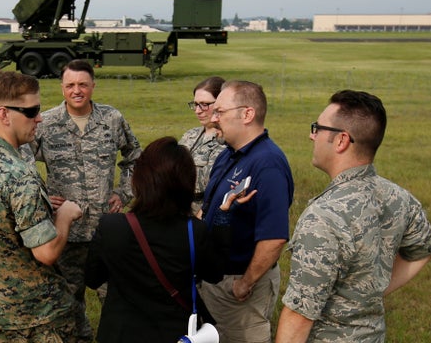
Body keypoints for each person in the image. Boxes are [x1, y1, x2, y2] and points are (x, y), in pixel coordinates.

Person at [276, 90, 431, 343]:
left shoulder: (323, 217)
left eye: (317, 128)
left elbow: (299, 317)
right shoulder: (399, 197)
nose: (311, 135)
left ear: (341, 140)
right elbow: (423, 250)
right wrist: (369, 293)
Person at [0, 71, 83, 342]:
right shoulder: (19, 173)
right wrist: (66, 216)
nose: (39, 117)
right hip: (32, 316)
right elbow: (46, 253)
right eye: (32, 110)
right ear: (3, 114)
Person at [31, 59, 142, 343]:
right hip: (65, 233)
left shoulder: (112, 119)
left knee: (118, 300)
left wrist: (124, 192)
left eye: (82, 84)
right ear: (62, 88)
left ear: (93, 85)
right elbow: (20, 162)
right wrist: (42, 196)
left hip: (107, 231)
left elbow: (135, 157)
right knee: (68, 304)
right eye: (70, 85)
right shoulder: (46, 123)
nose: (76, 90)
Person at [85, 137, 229, 343]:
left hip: (121, 334)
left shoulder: (112, 226)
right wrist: (223, 220)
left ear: (141, 178)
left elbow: (92, 278)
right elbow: (215, 274)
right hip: (175, 334)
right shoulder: (193, 231)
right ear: (186, 182)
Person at [199, 79, 294, 343]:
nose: (213, 118)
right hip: (214, 281)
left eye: (220, 111)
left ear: (247, 114)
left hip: (237, 286)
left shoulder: (268, 164)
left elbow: (274, 237)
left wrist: (246, 283)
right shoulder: (228, 155)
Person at [179, 75, 227, 211]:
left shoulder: (229, 141)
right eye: (195, 104)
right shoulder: (190, 135)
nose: (198, 111)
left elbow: (212, 184)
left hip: (206, 216)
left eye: (205, 105)